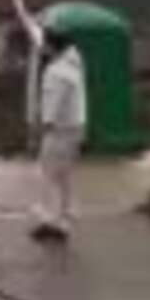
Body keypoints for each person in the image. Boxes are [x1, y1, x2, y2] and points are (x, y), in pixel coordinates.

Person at [32, 29, 88, 243]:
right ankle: (63, 220)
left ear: (51, 46)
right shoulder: (74, 64)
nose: (41, 48)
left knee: (50, 175)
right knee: (64, 177)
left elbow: (53, 101)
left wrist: (44, 125)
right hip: (75, 127)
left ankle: (52, 222)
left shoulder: (56, 71)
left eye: (44, 44)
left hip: (59, 129)